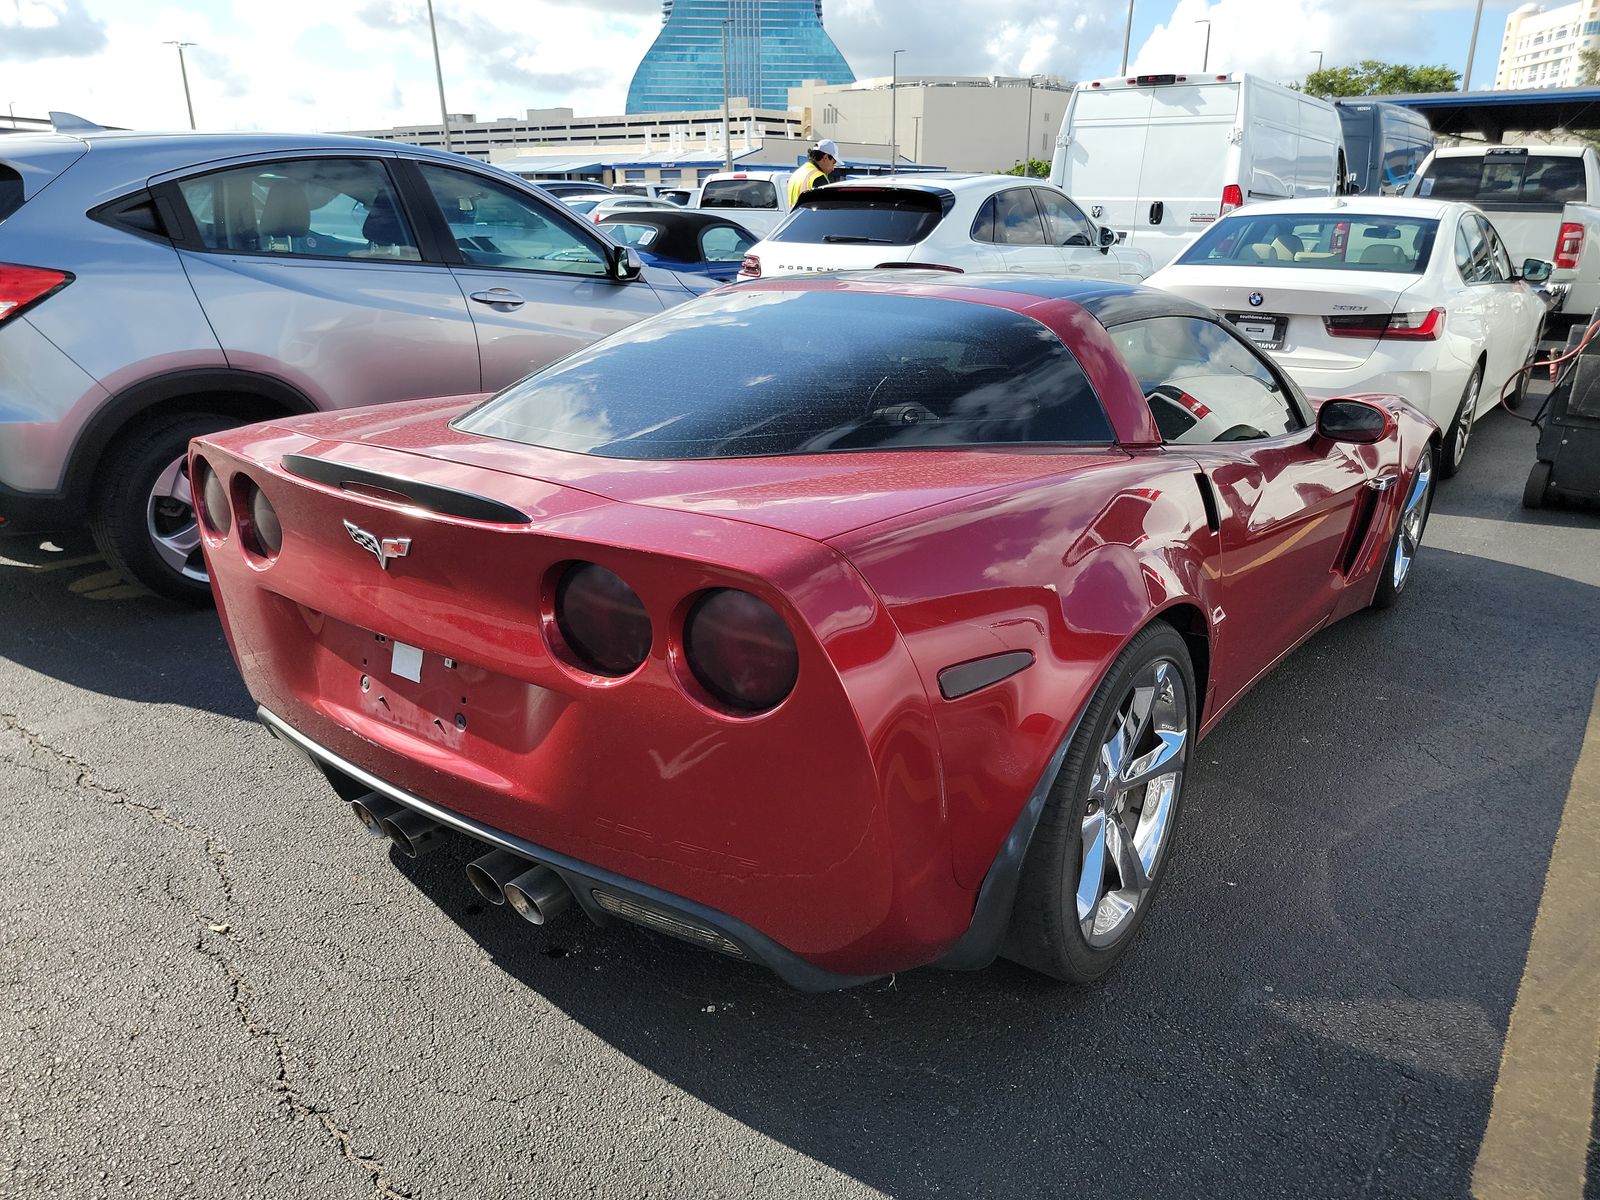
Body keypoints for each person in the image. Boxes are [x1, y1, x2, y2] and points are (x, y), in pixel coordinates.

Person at [788, 139, 842, 207]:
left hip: (795, 217)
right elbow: (825, 209)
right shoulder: (818, 177)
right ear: (825, 157)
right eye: (833, 163)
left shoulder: (796, 173)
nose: (833, 168)